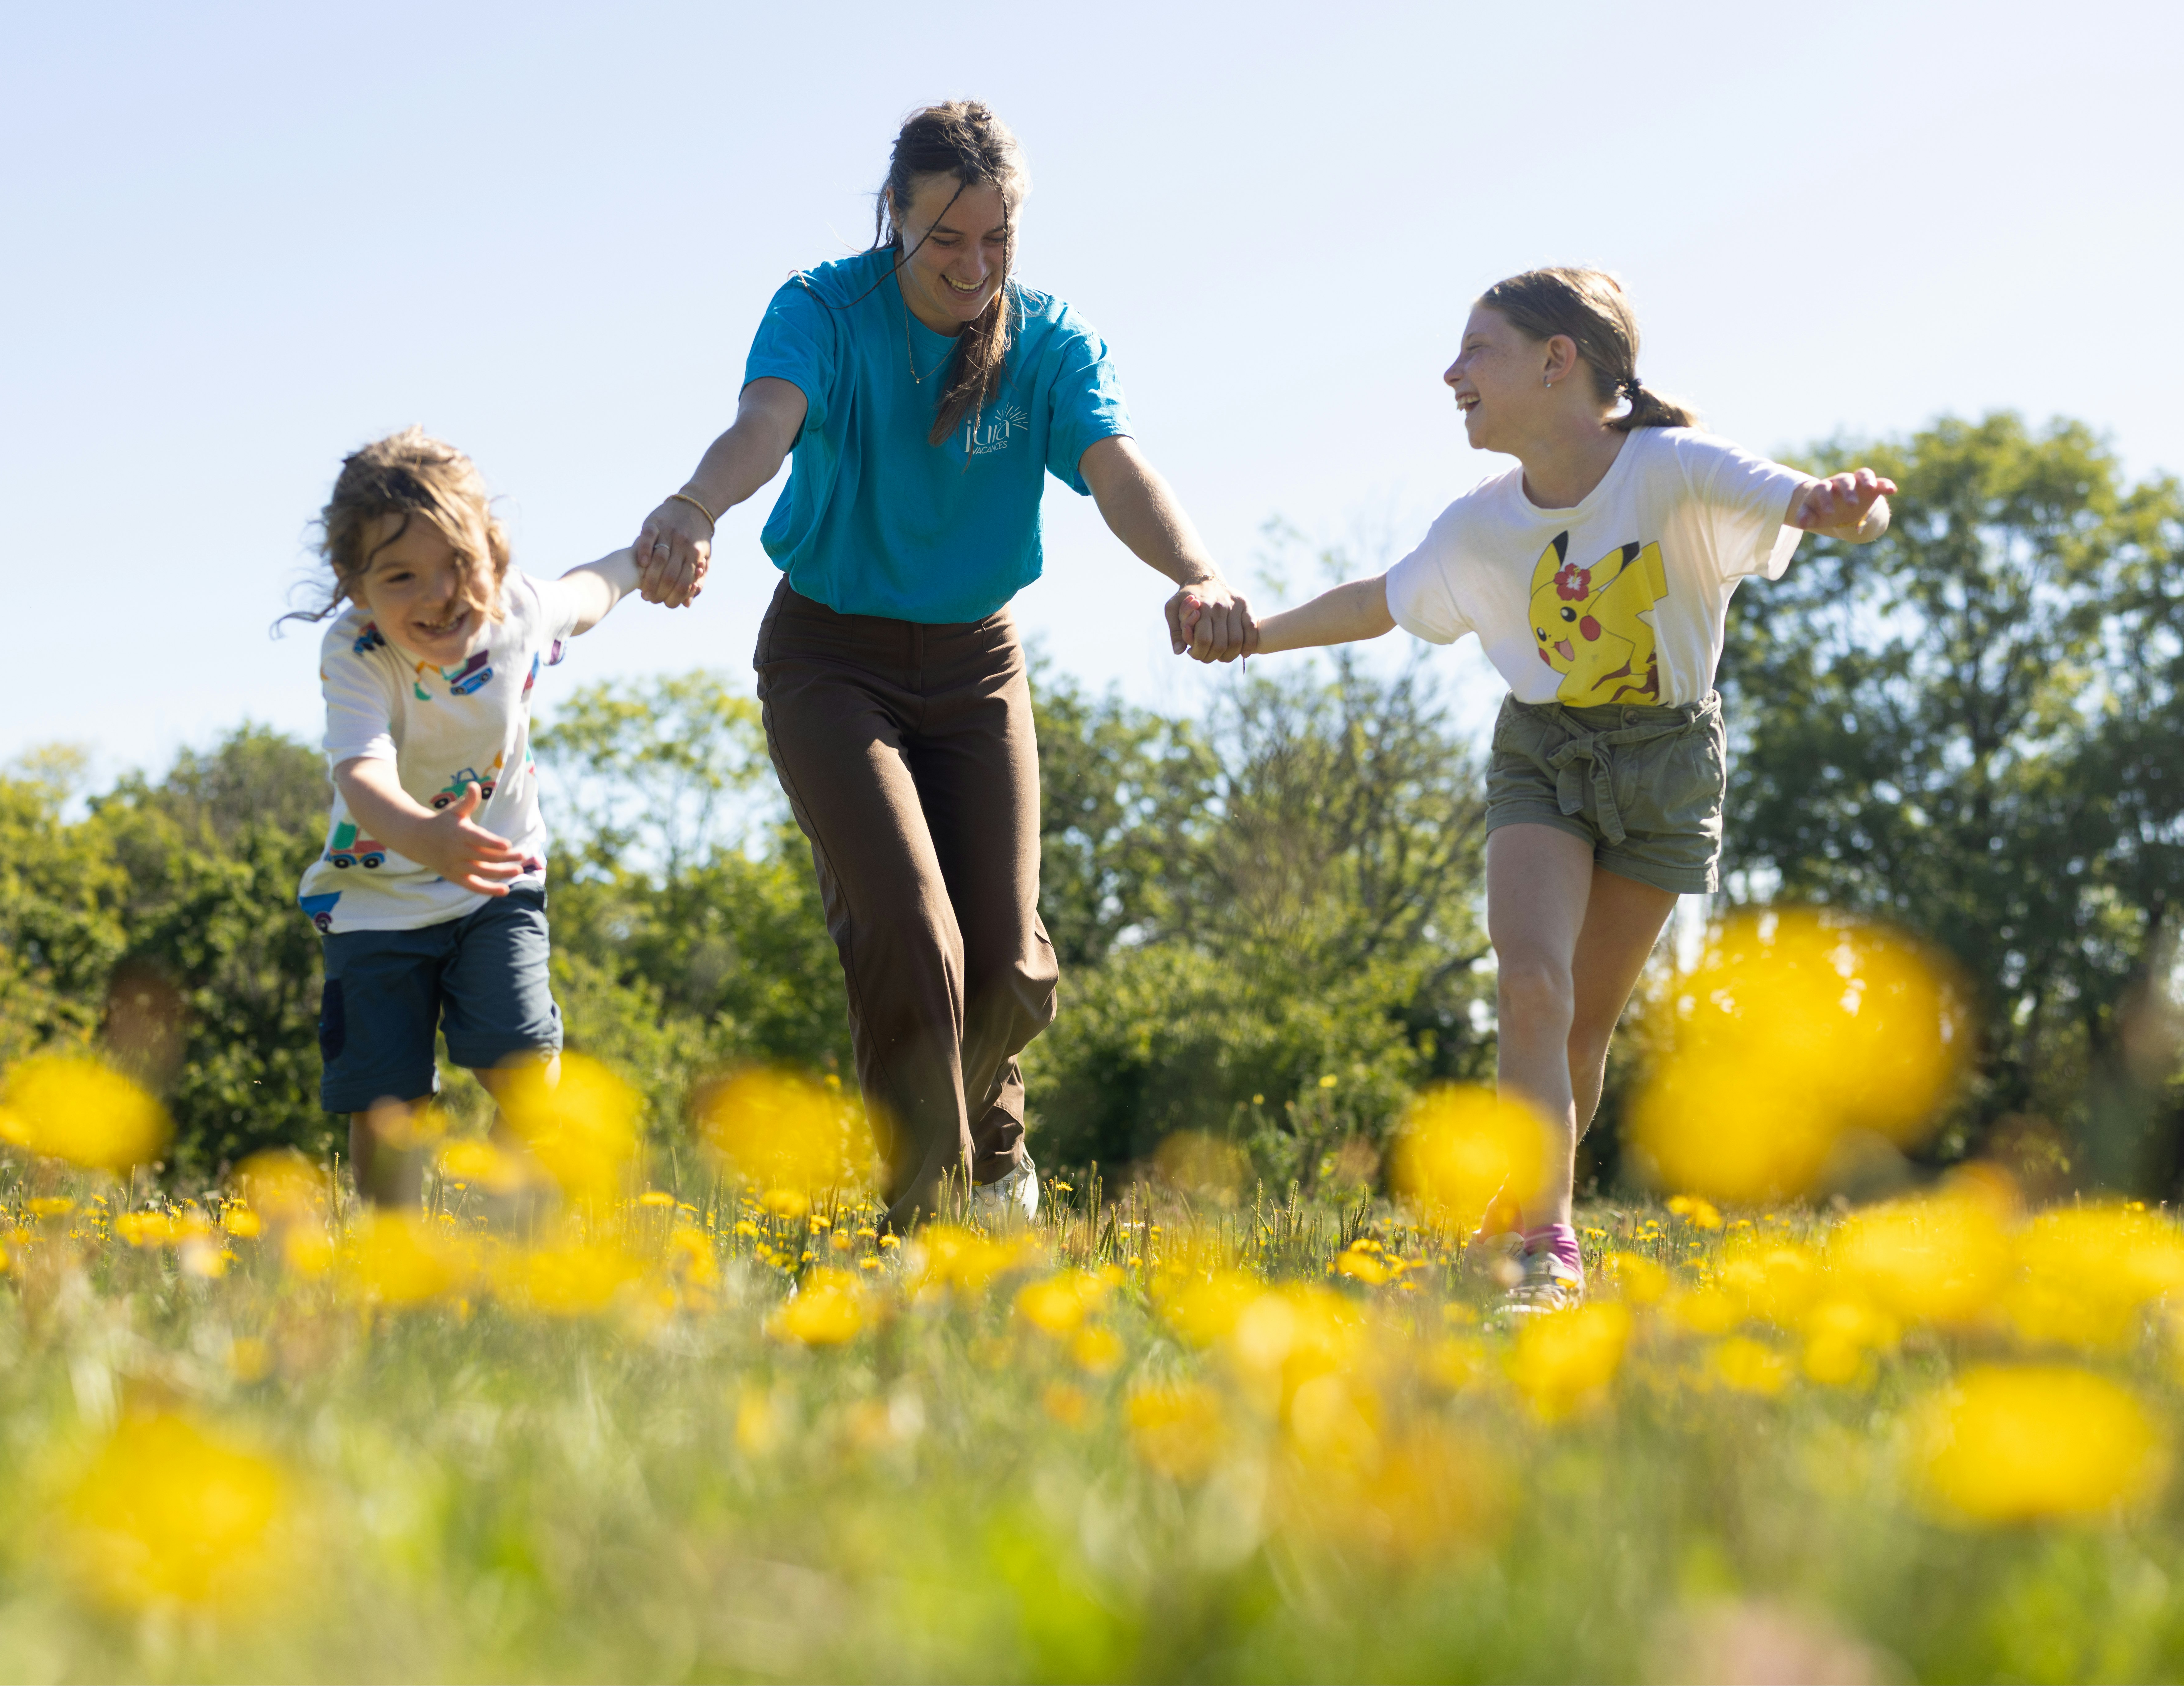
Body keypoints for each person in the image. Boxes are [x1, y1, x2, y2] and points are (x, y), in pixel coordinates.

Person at [628, 99, 1258, 1231]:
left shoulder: (1049, 339)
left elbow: (1114, 466)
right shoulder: (823, 307)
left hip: (978, 663)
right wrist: (693, 504)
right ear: (894, 220)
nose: (973, 267)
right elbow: (766, 422)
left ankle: (992, 1153)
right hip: (831, 658)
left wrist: (1194, 570)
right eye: (945, 240)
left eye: (997, 241)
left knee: (1008, 965)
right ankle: (922, 1219)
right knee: (913, 932)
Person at [1228, 267, 1895, 1311]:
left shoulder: (1672, 467)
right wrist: (1251, 637)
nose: (1452, 374)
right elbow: (1380, 600)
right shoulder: (1477, 524)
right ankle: (1546, 1246)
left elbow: (1801, 504)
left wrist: (1845, 509)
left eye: (1476, 349)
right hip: (1544, 752)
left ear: (1558, 360)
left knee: (1581, 1031)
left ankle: (1516, 1205)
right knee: (1532, 985)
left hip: (1667, 761)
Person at [288, 427, 641, 1202]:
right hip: (374, 904)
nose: (438, 594)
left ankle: (499, 1214)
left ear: (495, 553)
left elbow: (596, 588)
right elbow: (361, 768)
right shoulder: (356, 653)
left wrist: (660, 550)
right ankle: (397, 1260)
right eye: (401, 575)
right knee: (385, 1101)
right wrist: (422, 837)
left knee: (524, 1062)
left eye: (458, 565)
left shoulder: (519, 609)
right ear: (356, 587)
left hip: (495, 880)